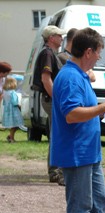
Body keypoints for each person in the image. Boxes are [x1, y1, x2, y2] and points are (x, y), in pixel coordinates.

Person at [50, 27, 105, 213]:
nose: (100, 57)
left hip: (89, 153)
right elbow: (71, 114)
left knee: (99, 202)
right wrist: (104, 108)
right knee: (80, 207)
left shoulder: (79, 75)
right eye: (99, 52)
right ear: (88, 52)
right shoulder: (71, 77)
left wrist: (103, 109)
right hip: (77, 154)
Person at [33, 25, 66, 184]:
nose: (61, 38)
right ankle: (55, 172)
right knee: (57, 135)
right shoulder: (47, 53)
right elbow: (46, 79)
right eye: (59, 35)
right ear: (51, 37)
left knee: (56, 134)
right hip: (51, 99)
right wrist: (57, 99)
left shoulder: (50, 53)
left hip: (51, 99)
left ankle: (55, 171)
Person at [2, 76, 22, 142]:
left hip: (7, 110)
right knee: (16, 125)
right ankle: (11, 138)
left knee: (13, 125)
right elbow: (14, 102)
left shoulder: (4, 92)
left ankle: (10, 136)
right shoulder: (12, 92)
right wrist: (20, 106)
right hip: (14, 110)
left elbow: (4, 102)